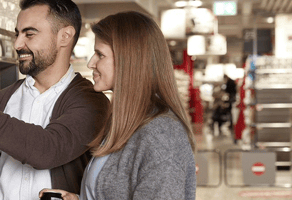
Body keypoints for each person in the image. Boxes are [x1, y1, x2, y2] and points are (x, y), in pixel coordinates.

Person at [0, 0, 110, 199]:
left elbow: (46, 150)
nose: (17, 44)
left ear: (64, 36)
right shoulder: (0, 100)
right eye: (17, 33)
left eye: (29, 34)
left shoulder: (92, 102)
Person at [39, 11, 196, 199]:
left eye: (100, 54)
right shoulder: (126, 123)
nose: (91, 63)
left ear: (128, 60)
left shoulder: (161, 135)